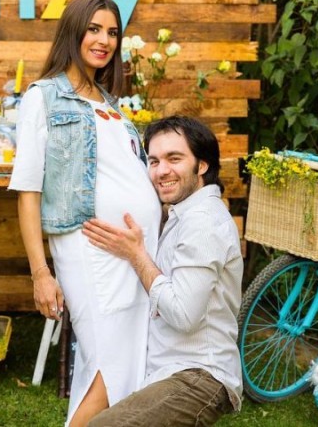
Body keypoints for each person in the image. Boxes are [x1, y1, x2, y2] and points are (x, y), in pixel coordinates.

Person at [8, 0, 162, 426]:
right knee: (108, 368)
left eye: (112, 32)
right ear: (73, 31)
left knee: (125, 367)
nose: (104, 40)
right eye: (94, 29)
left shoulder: (109, 101)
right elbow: (28, 190)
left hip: (133, 253)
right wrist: (41, 274)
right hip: (90, 252)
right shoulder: (43, 97)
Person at [82, 116, 243, 426]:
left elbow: (183, 315)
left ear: (202, 165)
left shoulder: (203, 223)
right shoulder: (183, 214)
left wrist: (136, 255)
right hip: (170, 371)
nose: (161, 171)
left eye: (174, 158)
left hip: (199, 376)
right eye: (154, 161)